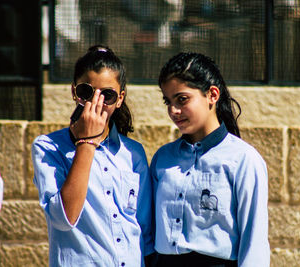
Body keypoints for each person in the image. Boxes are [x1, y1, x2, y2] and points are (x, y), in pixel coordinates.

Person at [32, 45, 154, 267]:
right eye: (87, 93)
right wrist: (86, 143)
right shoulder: (47, 147)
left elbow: (144, 230)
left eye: (107, 95)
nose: (95, 103)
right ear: (74, 92)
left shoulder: (133, 153)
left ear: (120, 99)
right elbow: (63, 218)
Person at [150, 52, 270, 267]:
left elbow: (255, 242)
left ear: (212, 95)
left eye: (182, 99)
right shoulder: (163, 158)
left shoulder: (243, 160)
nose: (173, 111)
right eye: (167, 101)